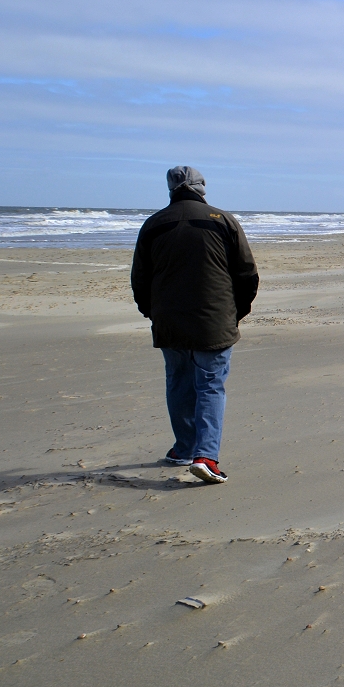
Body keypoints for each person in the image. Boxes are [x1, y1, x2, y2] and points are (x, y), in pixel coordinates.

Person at [130, 166, 258, 484]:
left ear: (171, 189)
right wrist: (234, 314)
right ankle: (205, 457)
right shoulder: (223, 220)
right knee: (210, 385)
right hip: (213, 320)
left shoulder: (153, 224)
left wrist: (152, 313)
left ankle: (185, 448)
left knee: (178, 381)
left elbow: (140, 281)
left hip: (169, 320)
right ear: (202, 188)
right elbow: (247, 275)